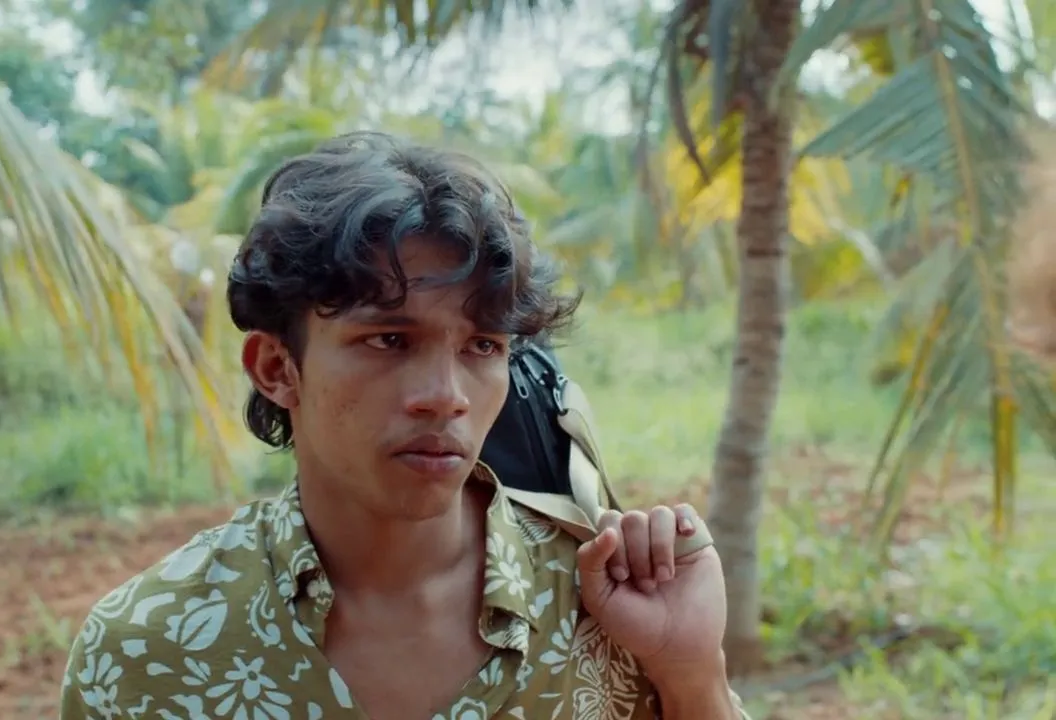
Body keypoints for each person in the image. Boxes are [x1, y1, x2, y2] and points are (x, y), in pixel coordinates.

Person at [59, 132, 747, 719]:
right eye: (388, 340)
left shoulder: (606, 608)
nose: (445, 397)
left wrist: (691, 674)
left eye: (482, 346)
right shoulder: (149, 652)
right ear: (276, 368)